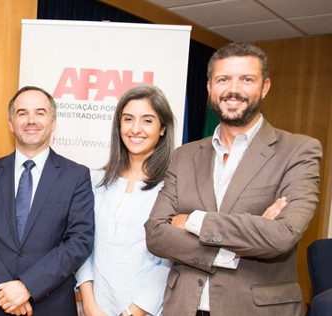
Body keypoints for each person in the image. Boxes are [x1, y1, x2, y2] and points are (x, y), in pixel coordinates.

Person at [145, 42, 322, 316]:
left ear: (265, 87)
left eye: (247, 79)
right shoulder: (184, 155)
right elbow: (156, 235)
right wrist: (234, 248)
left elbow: (281, 235)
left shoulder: (299, 151)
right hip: (182, 307)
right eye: (223, 79)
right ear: (209, 88)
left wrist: (193, 220)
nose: (233, 90)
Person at [0, 86, 94, 316]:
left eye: (40, 113)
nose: (31, 120)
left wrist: (27, 286)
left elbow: (79, 241)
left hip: (51, 305)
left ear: (53, 122)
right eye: (22, 113)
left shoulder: (76, 176)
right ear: (11, 123)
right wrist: (6, 292)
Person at [76, 84, 173, 316]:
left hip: (147, 311)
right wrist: (89, 306)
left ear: (162, 129)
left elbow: (169, 261)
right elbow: (83, 245)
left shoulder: (172, 187)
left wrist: (132, 312)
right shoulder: (95, 180)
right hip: (94, 309)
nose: (136, 129)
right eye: (128, 119)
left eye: (148, 120)